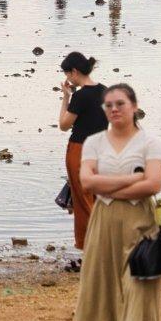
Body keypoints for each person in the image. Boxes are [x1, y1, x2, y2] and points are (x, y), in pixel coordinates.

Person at [75, 84, 161, 321]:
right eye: (109, 105)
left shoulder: (150, 142)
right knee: (109, 290)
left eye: (120, 104)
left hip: (141, 223)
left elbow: (153, 183)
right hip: (104, 222)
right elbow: (87, 183)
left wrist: (110, 187)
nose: (114, 109)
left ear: (134, 107)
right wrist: (131, 179)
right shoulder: (94, 142)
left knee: (142, 289)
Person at [58, 52, 107, 253]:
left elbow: (63, 124)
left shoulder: (80, 96)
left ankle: (92, 247)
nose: (68, 79)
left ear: (75, 71)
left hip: (80, 150)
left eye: (68, 74)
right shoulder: (105, 91)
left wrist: (65, 98)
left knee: (82, 198)